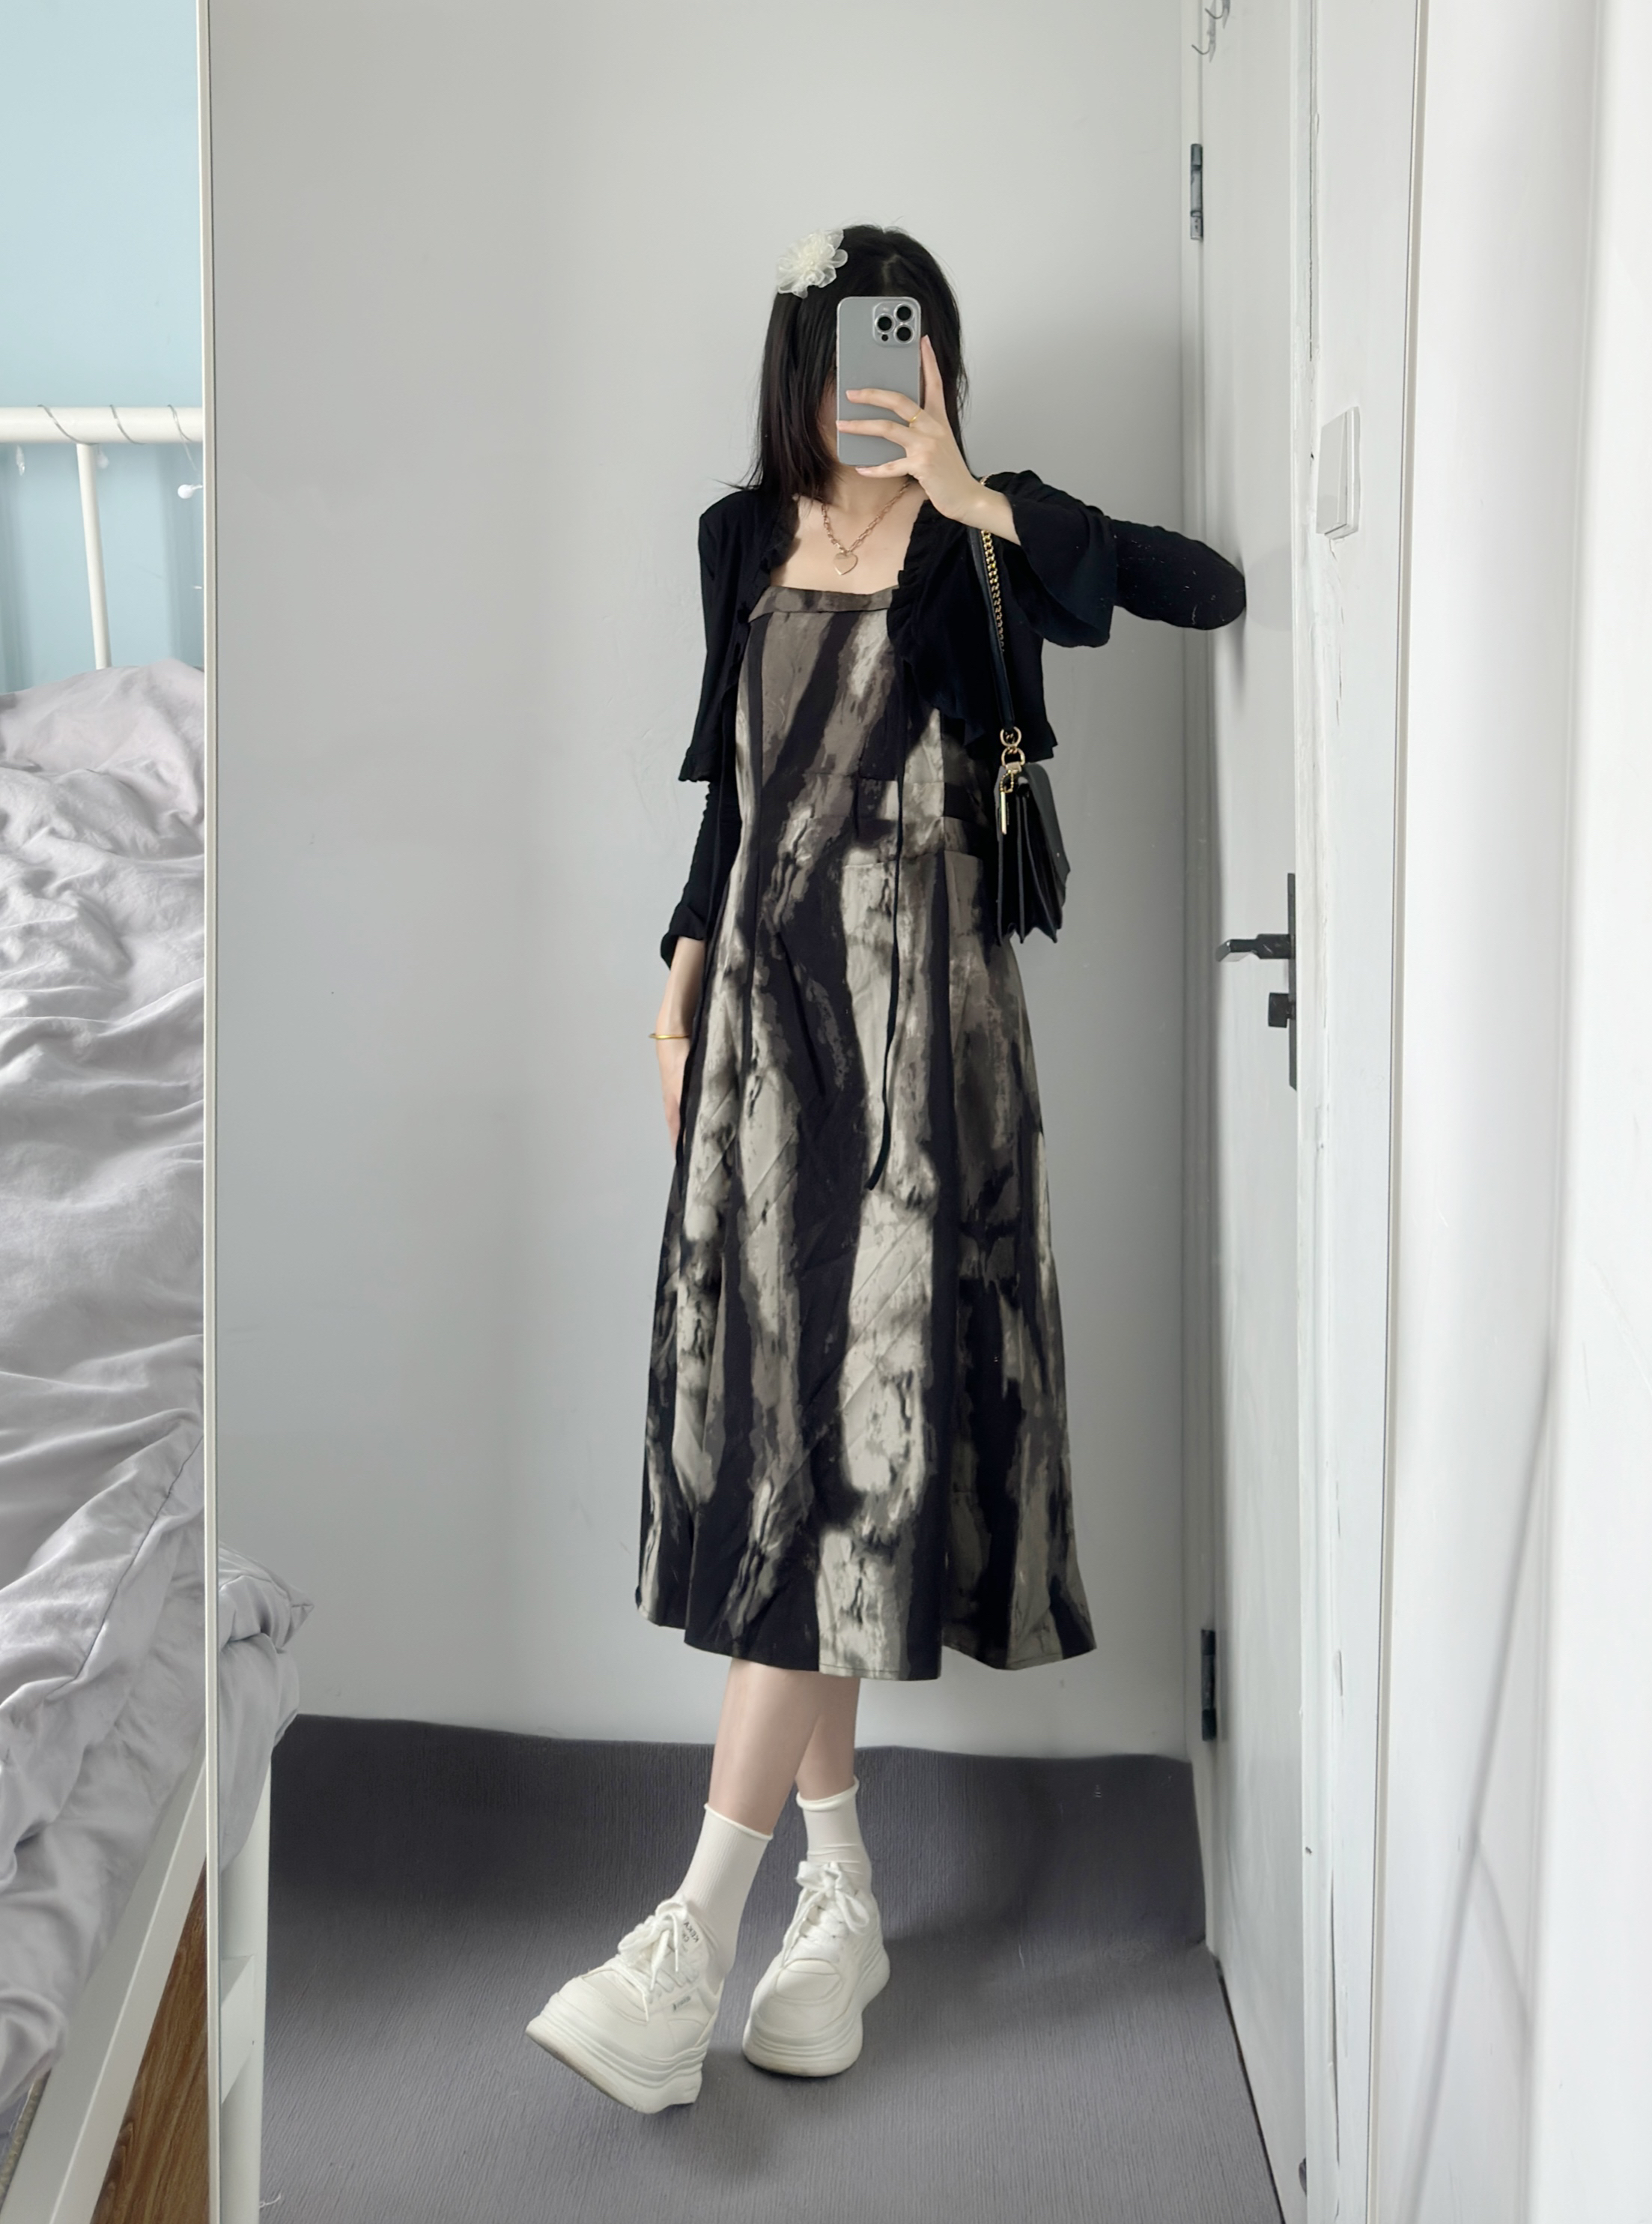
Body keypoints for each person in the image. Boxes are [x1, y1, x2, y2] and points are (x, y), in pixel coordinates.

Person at [526, 225, 1245, 2113]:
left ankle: (688, 1938)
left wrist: (973, 494)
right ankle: (838, 1901)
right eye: (849, 338)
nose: (877, 368)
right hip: (767, 1050)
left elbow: (1206, 587)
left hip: (929, 1047)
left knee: (841, 1458)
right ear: (802, 357)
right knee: (800, 1458)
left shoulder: (976, 533)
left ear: (929, 355)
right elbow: (733, 795)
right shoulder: (736, 539)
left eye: (903, 337)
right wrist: (674, 994)